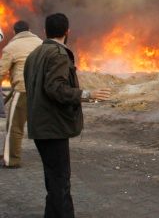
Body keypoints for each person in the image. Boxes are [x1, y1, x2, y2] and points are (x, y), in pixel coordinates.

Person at [24, 13, 111, 218]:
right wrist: (87, 95)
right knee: (61, 183)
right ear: (67, 32)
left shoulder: (35, 54)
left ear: (45, 31)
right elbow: (55, 88)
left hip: (40, 126)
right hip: (53, 127)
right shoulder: (59, 54)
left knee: (54, 181)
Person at [0, 20, 42, 167]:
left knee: (15, 127)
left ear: (14, 32)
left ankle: (12, 160)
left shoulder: (11, 47)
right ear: (29, 29)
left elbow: (1, 71)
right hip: (42, 91)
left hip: (23, 91)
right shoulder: (41, 43)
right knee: (44, 126)